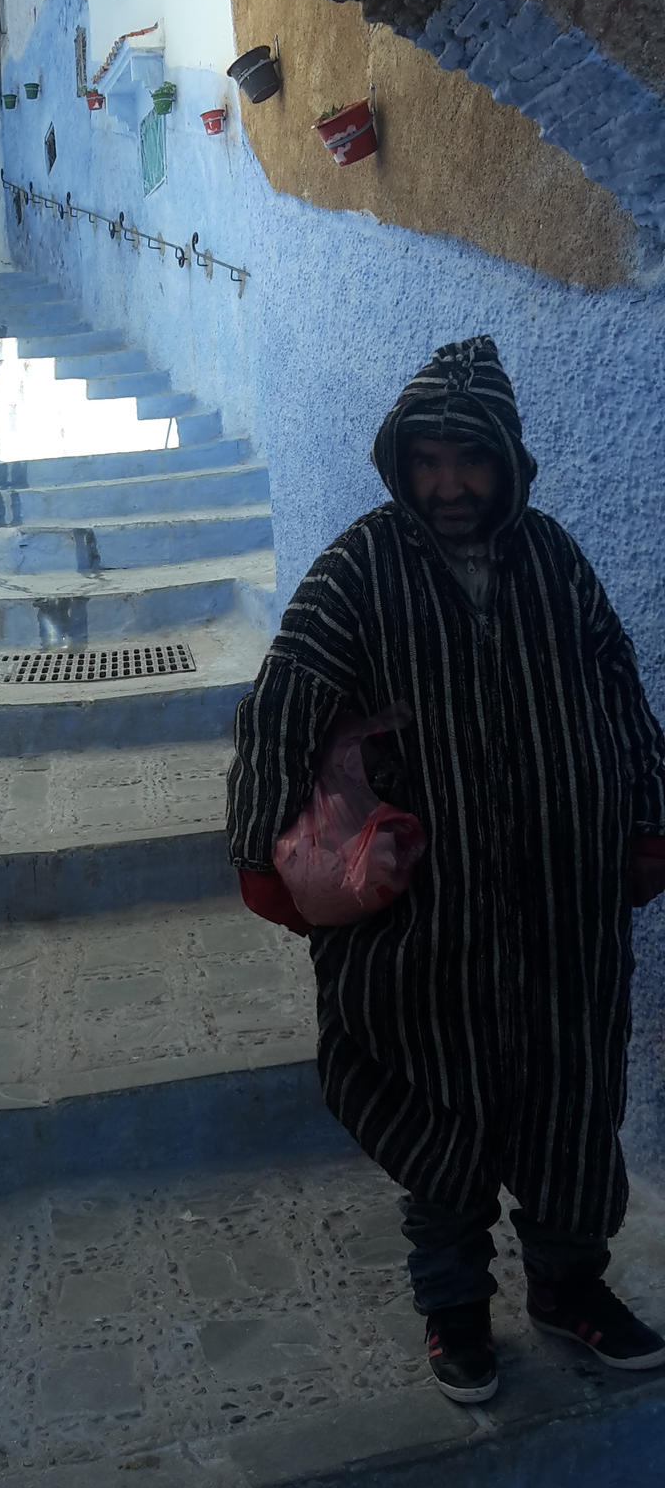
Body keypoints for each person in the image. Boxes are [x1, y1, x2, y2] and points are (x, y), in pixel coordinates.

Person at [226, 335, 665, 1405]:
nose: (448, 485)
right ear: (398, 466)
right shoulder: (358, 567)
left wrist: (646, 816)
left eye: (468, 460)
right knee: (439, 1119)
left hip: (564, 906)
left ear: (506, 463)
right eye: (426, 461)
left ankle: (568, 1289)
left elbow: (616, 686)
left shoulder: (553, 559)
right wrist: (262, 854)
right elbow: (283, 705)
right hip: (420, 923)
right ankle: (454, 1312)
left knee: (571, 1109)